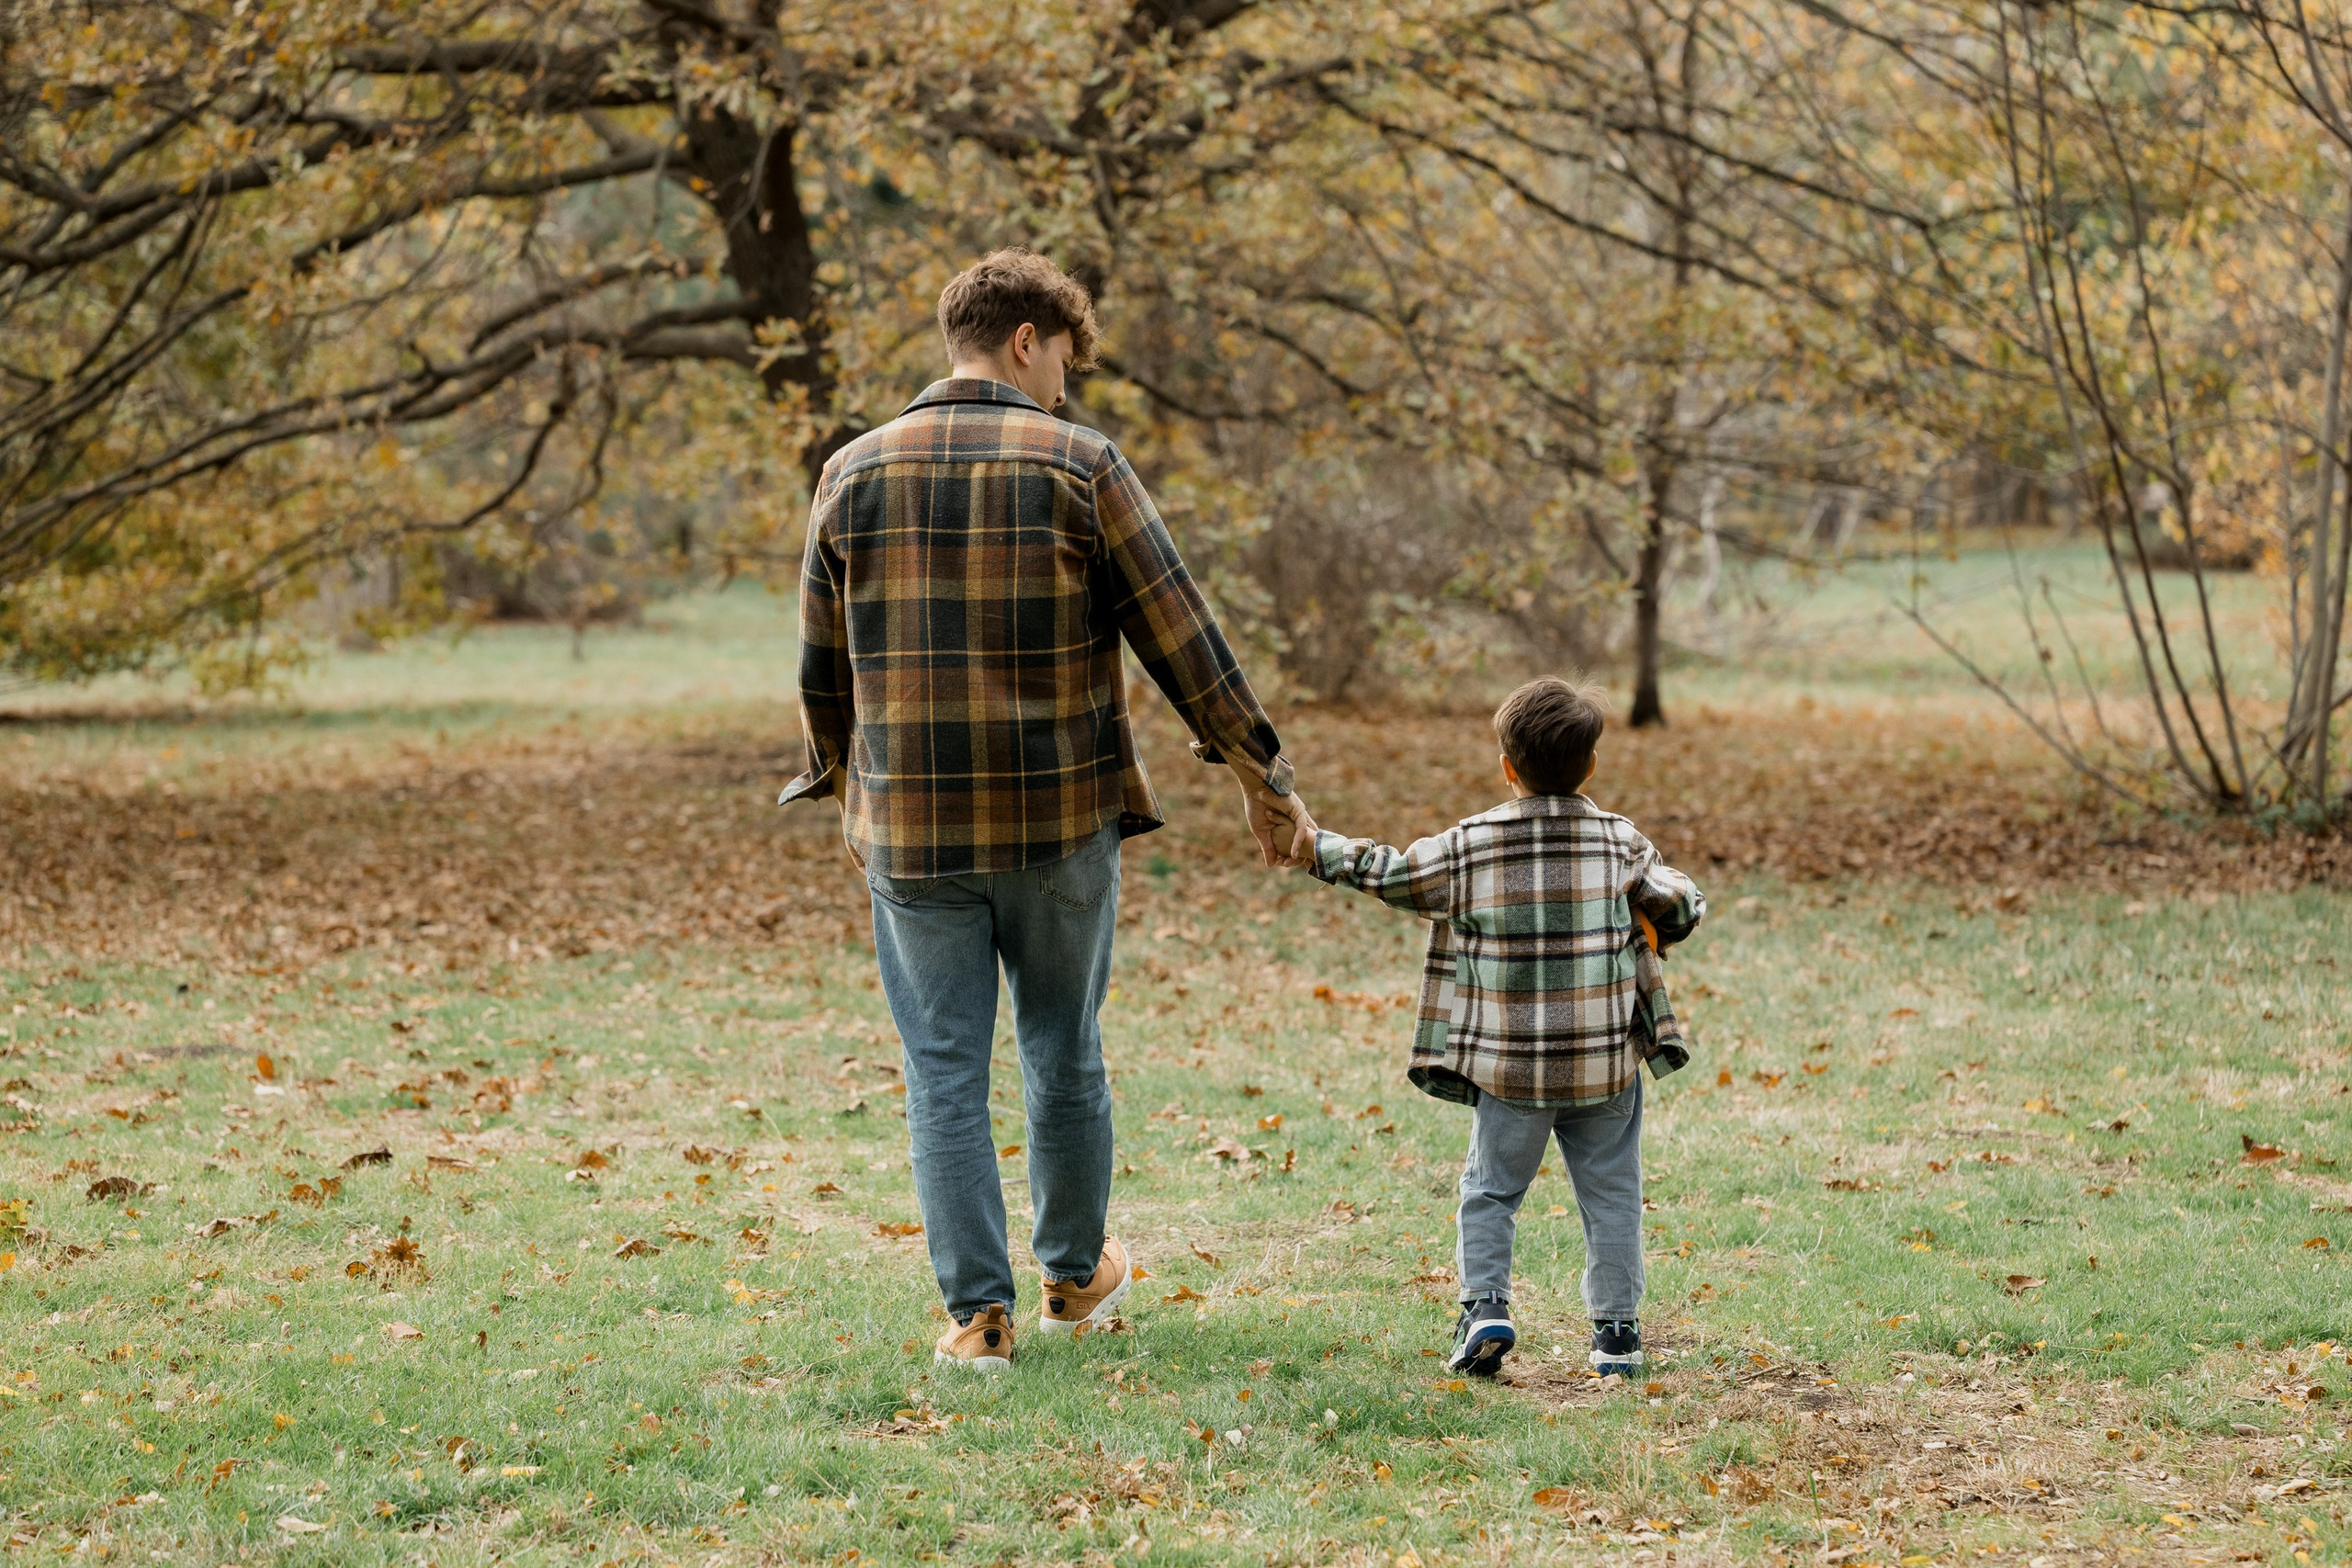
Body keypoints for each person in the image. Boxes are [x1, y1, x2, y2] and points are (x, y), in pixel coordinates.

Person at [779, 248, 1316, 1371]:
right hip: (1057, 824)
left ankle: (977, 1320)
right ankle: (1074, 1278)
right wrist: (1259, 777)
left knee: (942, 1069)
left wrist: (842, 782)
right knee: (1062, 1050)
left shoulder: (850, 473)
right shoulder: (1082, 464)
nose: (1066, 386)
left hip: (913, 832)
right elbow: (1183, 636)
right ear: (1026, 340)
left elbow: (823, 670)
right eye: (1064, 358)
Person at [1297, 677, 1702, 1381]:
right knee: (1611, 1192)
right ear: (1592, 765)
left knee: (1490, 1190)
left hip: (1509, 1072)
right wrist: (1669, 912)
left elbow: (1389, 870)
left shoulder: (1471, 845)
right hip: (1602, 1065)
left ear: (1507, 767)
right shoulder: (1621, 842)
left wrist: (1314, 847)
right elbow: (1681, 903)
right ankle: (1617, 1335)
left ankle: (1485, 1306)